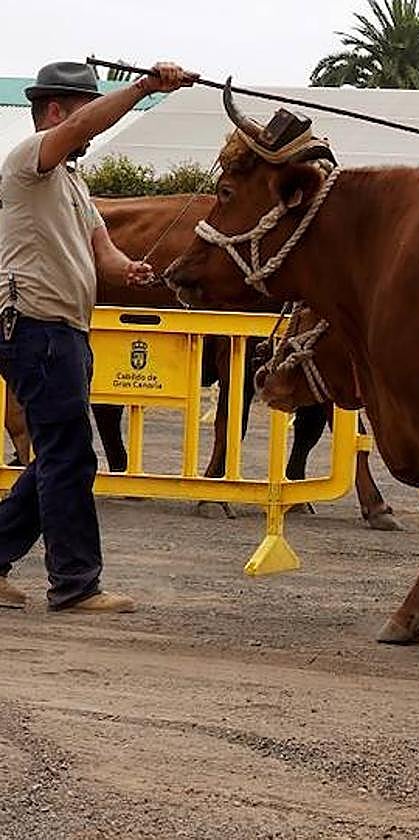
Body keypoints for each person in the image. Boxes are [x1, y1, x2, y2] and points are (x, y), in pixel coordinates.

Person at [0, 60, 195, 612]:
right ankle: (75, 584)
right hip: (37, 326)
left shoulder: (73, 184)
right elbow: (84, 131)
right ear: (57, 113)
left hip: (61, 330)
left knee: (61, 455)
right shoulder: (27, 160)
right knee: (68, 456)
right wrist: (146, 87)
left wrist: (129, 269)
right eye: (84, 109)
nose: (90, 126)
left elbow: (102, 254)